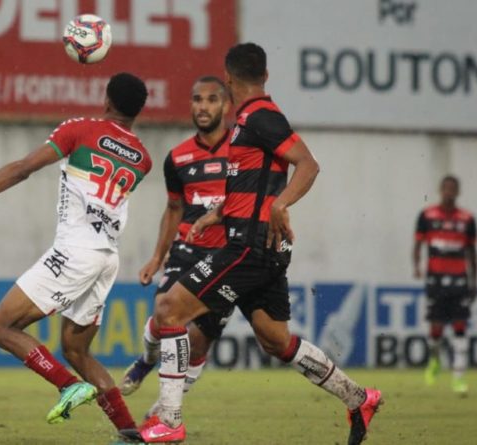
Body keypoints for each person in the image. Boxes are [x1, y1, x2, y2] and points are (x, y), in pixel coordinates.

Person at [137, 43, 383, 445]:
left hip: (249, 248)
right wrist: (219, 214)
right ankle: (359, 397)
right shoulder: (246, 123)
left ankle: (170, 420)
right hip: (260, 247)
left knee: (168, 309)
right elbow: (254, 184)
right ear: (265, 76)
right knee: (275, 340)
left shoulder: (262, 117)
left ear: (228, 80)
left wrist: (282, 204)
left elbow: (308, 164)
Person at [0, 73, 150, 441]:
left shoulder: (80, 129)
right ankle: (128, 431)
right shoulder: (142, 157)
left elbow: (23, 169)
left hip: (75, 251)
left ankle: (66, 386)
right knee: (77, 350)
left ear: (106, 100)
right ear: (139, 111)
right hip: (107, 258)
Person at [120, 76, 231, 404]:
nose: (203, 107)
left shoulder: (243, 152)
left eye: (212, 100)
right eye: (197, 99)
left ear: (225, 105)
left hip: (228, 256)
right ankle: (147, 359)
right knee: (162, 311)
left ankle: (159, 414)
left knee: (198, 343)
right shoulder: (178, 157)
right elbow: (173, 208)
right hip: (187, 249)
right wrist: (157, 257)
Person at [413, 175, 477, 395]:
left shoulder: (467, 219)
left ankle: (459, 377)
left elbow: (472, 252)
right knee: (436, 327)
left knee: (460, 327)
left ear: (457, 191)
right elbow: (418, 244)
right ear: (441, 190)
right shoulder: (427, 215)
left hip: (459, 279)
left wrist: (473, 281)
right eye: (446, 188)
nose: (449, 192)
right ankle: (435, 360)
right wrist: (416, 266)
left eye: (453, 188)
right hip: (436, 279)